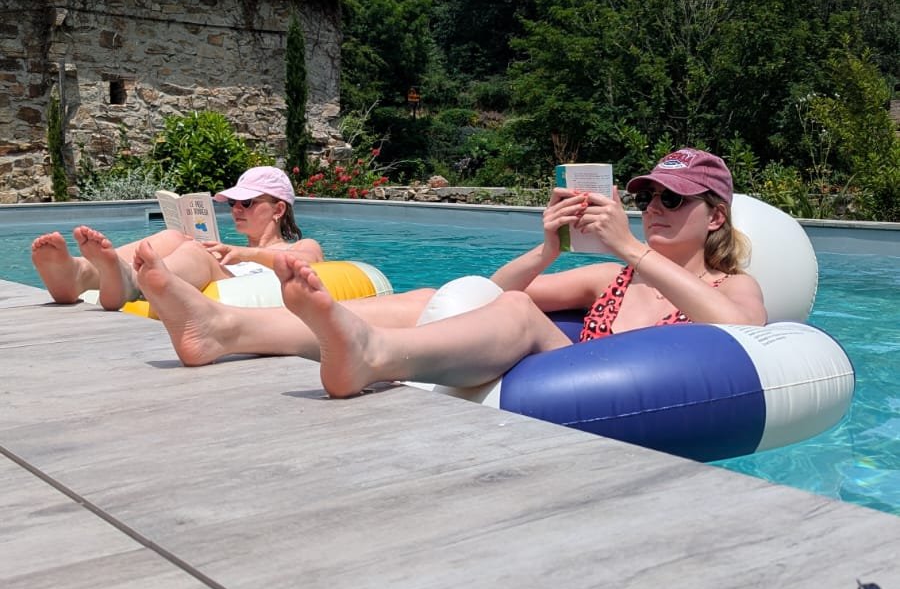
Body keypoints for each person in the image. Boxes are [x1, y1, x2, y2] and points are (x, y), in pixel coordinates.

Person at [130, 147, 766, 380]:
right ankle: (225, 330)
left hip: (595, 382)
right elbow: (479, 292)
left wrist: (629, 246)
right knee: (441, 290)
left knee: (517, 309)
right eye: (649, 194)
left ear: (715, 216)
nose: (654, 206)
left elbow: (745, 338)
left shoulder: (732, 284)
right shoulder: (610, 276)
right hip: (565, 365)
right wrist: (546, 249)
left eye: (674, 198)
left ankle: (371, 354)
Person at [30, 165, 323, 311]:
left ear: (278, 209)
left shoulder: (301, 245)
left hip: (235, 283)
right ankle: (80, 272)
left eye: (247, 203)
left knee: (197, 253)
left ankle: (131, 282)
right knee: (174, 236)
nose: (236, 209)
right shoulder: (225, 251)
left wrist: (243, 254)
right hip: (220, 268)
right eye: (233, 203)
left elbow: (303, 262)